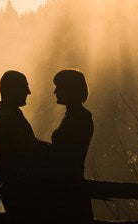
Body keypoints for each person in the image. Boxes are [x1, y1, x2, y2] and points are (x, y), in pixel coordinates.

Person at [0, 70, 50, 221]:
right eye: (25, 87)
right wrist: (58, 151)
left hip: (18, 191)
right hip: (20, 193)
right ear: (13, 89)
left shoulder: (9, 114)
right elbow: (29, 150)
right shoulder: (7, 117)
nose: (28, 92)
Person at [48, 69, 94, 223]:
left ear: (69, 89)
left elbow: (65, 156)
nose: (55, 91)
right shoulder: (73, 117)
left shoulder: (79, 119)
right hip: (68, 188)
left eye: (59, 87)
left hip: (70, 190)